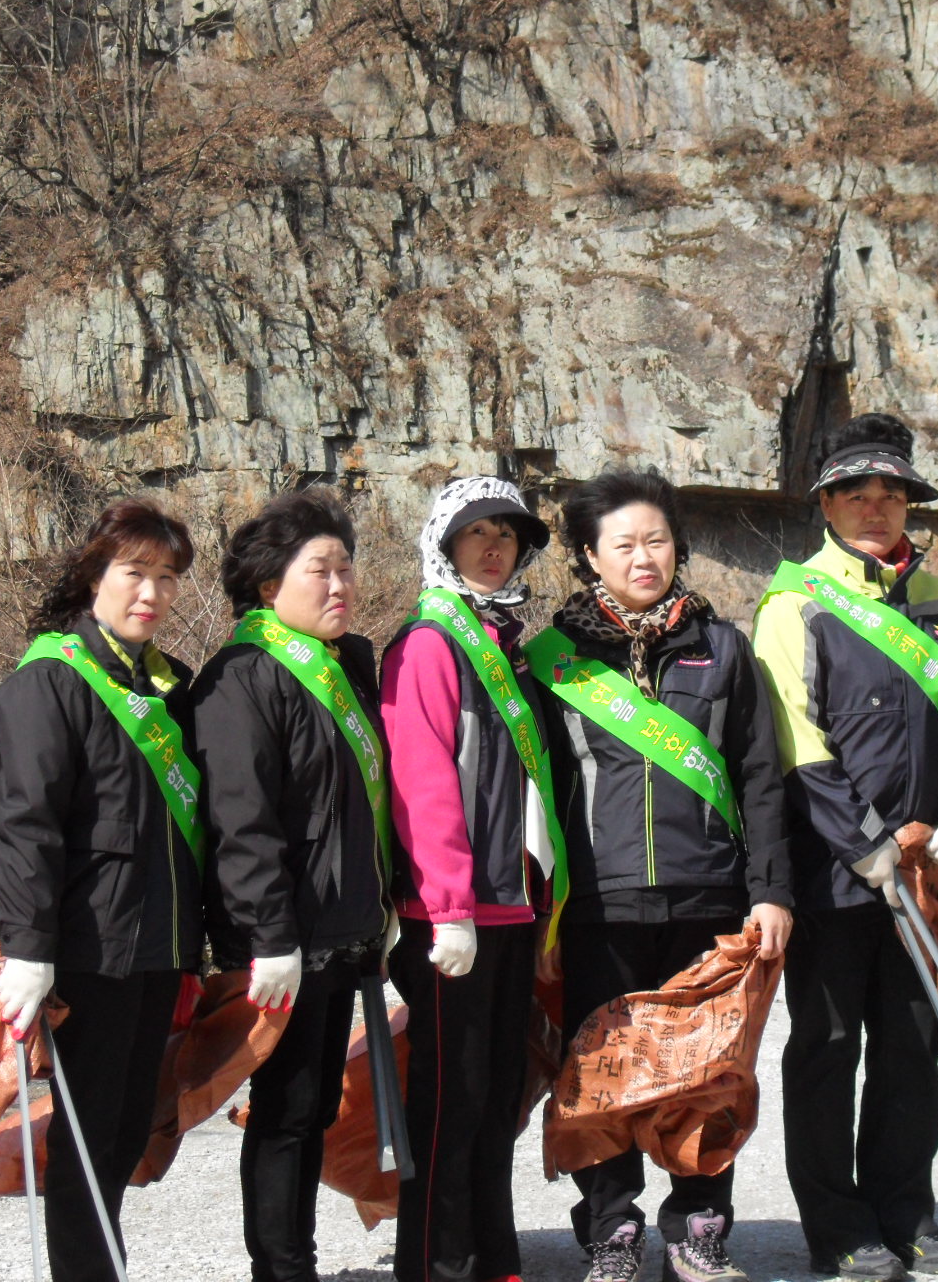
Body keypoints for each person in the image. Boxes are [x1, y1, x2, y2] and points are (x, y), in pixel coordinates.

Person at [529, 468, 794, 1282]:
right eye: (624, 545)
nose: (644, 558)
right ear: (589, 555)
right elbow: (539, 791)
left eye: (657, 540)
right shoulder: (552, 660)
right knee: (600, 1071)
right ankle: (611, 1230)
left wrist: (770, 890)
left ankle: (698, 1228)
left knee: (706, 1073)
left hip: (709, 895)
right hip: (599, 905)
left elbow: (760, 777)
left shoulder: (725, 649)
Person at [753, 413, 938, 1282]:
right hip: (834, 874)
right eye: (856, 493)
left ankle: (908, 1213)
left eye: (892, 494)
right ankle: (838, 1228)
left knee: (911, 1049)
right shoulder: (795, 602)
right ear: (826, 503)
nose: (875, 507)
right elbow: (796, 743)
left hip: (926, 873)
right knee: (826, 1049)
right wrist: (869, 845)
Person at [0, 498, 201, 1282]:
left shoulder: (165, 687)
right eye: (135, 573)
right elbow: (24, 826)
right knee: (85, 1137)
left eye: (167, 577)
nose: (152, 593)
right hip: (89, 951)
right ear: (93, 576)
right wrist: (29, 948)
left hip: (157, 947)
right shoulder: (49, 683)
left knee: (124, 1134)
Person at [192, 490, 399, 1282]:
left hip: (341, 928)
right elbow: (241, 822)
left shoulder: (346, 664)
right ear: (269, 583)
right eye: (321, 570)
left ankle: (295, 1262)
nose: (340, 585)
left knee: (311, 1109)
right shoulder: (243, 677)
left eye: (346, 568)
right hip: (283, 940)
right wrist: (268, 937)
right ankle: (281, 1268)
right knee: (282, 1111)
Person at [380, 476, 560, 1282]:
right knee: (448, 1102)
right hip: (454, 917)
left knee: (495, 1097)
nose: (494, 548)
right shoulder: (430, 644)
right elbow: (421, 783)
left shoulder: (507, 645)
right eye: (477, 532)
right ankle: (434, 1263)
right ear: (445, 543)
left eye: (508, 535)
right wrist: (448, 906)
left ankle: (494, 1257)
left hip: (512, 910)